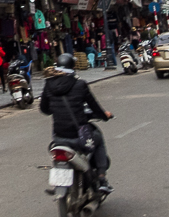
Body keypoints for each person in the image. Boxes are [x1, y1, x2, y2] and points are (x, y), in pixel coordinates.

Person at [39, 53, 114, 193]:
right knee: (98, 138)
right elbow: (94, 106)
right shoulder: (80, 84)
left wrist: (55, 109)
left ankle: (59, 184)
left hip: (59, 137)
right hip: (78, 137)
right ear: (73, 67)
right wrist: (104, 115)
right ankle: (102, 179)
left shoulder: (49, 84)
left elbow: (44, 109)